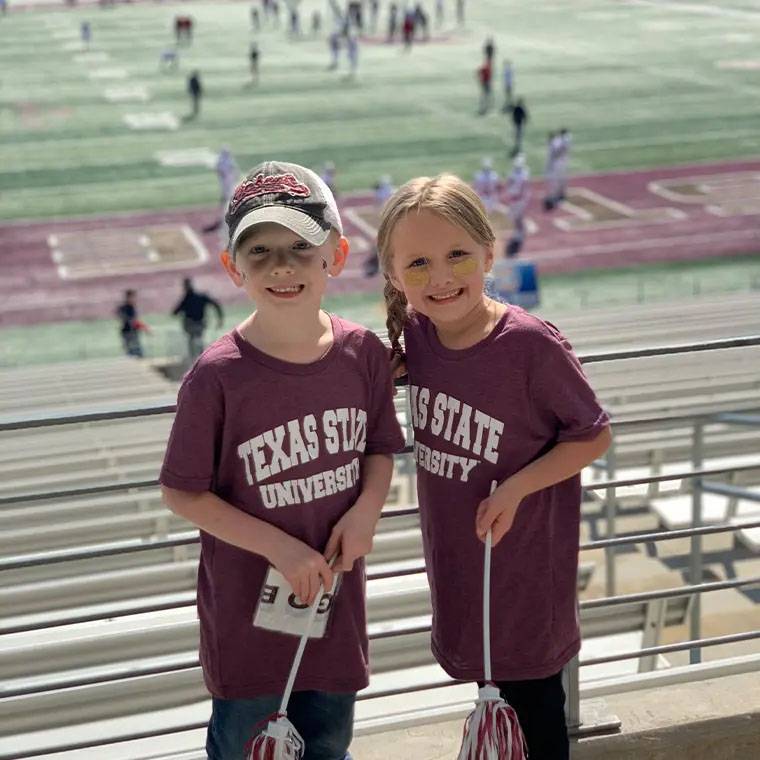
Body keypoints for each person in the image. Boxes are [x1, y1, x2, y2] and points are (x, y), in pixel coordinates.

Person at [160, 160, 406, 759]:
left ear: (337, 256)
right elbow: (182, 491)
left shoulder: (363, 354)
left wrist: (367, 510)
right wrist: (280, 546)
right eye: (261, 249)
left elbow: (379, 448)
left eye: (301, 246)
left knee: (328, 746)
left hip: (335, 613)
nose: (282, 265)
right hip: (249, 626)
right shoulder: (217, 376)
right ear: (232, 266)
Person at [376, 172, 612, 760]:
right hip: (460, 565)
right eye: (419, 264)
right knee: (494, 709)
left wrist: (517, 488)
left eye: (457, 255)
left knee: (534, 715)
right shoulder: (419, 336)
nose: (441, 277)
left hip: (526, 577)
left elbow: (594, 434)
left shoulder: (530, 345)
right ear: (393, 275)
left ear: (489, 252)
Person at [171, 278, 224, 360]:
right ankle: (200, 357)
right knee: (197, 340)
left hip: (193, 325)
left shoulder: (186, 299)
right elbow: (216, 305)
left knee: (193, 341)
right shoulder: (198, 297)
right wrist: (220, 319)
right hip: (198, 325)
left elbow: (174, 313)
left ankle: (196, 358)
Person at [504, 153, 531, 256]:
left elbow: (515, 187)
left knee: (518, 217)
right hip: (517, 199)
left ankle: (520, 233)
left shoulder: (522, 174)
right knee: (516, 217)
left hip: (519, 199)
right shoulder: (521, 173)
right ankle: (519, 232)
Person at [115, 289, 146, 358]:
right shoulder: (124, 308)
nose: (134, 299)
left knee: (136, 351)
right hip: (127, 331)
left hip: (132, 331)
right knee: (132, 352)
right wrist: (143, 327)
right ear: (128, 297)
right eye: (132, 297)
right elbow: (130, 320)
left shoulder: (130, 307)